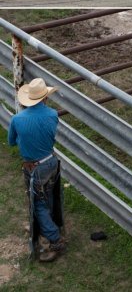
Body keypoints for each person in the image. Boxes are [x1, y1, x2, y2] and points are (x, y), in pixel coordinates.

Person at [8, 78, 65, 262]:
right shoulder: (52, 114)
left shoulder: (17, 119)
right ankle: (43, 225)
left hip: (34, 167)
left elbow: (11, 141)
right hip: (51, 162)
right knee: (47, 196)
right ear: (45, 98)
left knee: (38, 203)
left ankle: (55, 238)